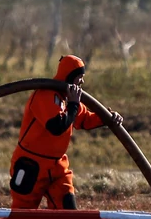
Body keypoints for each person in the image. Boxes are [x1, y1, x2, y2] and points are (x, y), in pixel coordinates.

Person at [9, 55, 122, 210]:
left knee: (68, 212)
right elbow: (57, 126)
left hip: (57, 167)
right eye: (79, 77)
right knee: (21, 215)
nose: (82, 82)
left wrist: (107, 118)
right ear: (69, 76)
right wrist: (74, 105)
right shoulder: (44, 95)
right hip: (31, 165)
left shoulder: (68, 99)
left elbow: (84, 119)